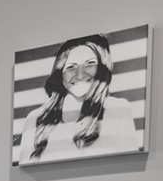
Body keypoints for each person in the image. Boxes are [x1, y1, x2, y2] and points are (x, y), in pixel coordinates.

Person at [14, 34, 142, 163]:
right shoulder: (34, 119)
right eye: (71, 67)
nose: (80, 74)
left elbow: (130, 166)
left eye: (90, 64)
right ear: (60, 73)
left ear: (101, 68)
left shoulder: (117, 109)